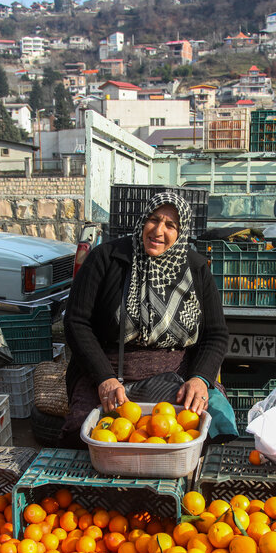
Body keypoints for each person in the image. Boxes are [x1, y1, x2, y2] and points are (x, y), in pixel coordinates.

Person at [61, 191, 230, 445]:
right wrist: (103, 377)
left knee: (201, 430)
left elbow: (216, 334)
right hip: (111, 372)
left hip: (177, 376)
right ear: (142, 221)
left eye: (170, 225)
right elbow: (76, 322)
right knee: (88, 435)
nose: (158, 231)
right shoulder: (106, 259)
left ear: (181, 232)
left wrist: (199, 378)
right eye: (154, 219)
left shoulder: (196, 269)